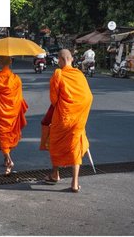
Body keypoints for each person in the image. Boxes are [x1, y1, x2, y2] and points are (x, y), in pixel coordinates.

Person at [45, 49, 93, 193]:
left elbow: (54, 100)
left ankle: (55, 174)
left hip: (62, 117)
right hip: (77, 118)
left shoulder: (58, 74)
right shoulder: (79, 75)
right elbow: (88, 97)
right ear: (71, 59)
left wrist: (64, 106)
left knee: (55, 144)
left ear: (60, 60)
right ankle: (74, 183)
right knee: (75, 147)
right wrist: (79, 112)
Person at [0, 56, 28, 176]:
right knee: (10, 134)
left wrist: (1, 100)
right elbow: (20, 96)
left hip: (1, 109)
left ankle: (9, 160)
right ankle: (6, 158)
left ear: (0, 63)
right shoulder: (16, 78)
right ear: (10, 62)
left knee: (2, 134)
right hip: (14, 110)